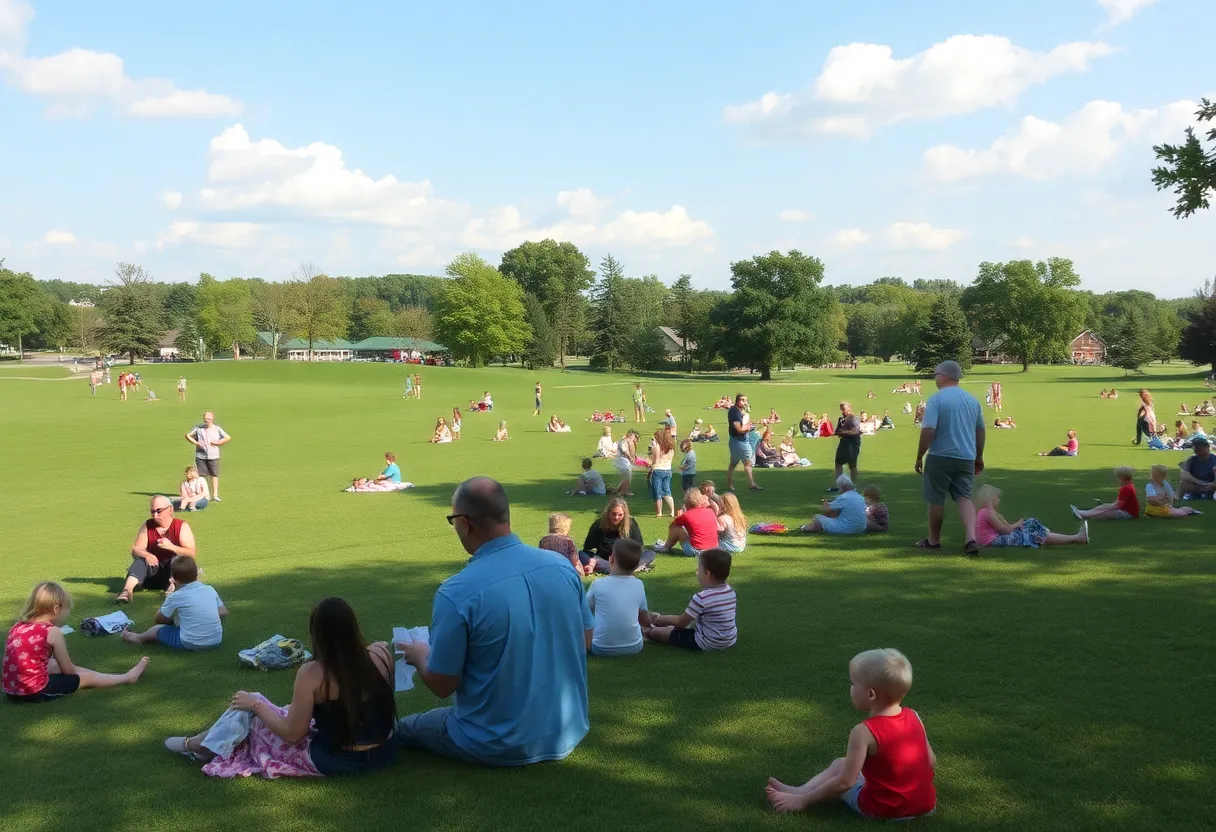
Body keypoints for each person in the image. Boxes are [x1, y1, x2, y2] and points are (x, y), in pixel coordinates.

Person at [395, 478, 593, 766]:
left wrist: (421, 656)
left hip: (492, 742)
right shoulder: (561, 566)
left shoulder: (457, 592)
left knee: (405, 728)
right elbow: (585, 641)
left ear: (464, 523)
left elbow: (442, 684)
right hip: (568, 729)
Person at [166, 597, 397, 777]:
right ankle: (200, 744)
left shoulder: (313, 674)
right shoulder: (381, 654)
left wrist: (256, 705)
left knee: (251, 711)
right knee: (269, 708)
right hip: (384, 752)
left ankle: (196, 745)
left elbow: (293, 735)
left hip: (337, 759)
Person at [765, 649, 936, 820]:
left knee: (843, 774)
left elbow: (845, 782)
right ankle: (798, 791)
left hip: (882, 809)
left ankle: (800, 797)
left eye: (853, 683)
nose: (851, 687)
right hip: (925, 805)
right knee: (842, 764)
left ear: (870, 694)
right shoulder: (913, 715)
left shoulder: (863, 731)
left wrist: (804, 802)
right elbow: (930, 760)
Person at [5, 582, 150, 703]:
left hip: (11, 691)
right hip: (34, 692)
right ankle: (127, 678)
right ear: (56, 609)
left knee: (53, 664)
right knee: (86, 678)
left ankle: (103, 676)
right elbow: (69, 672)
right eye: (67, 609)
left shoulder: (18, 626)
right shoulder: (52, 632)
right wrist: (83, 675)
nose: (68, 613)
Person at [914, 361, 985, 554]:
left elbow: (928, 430)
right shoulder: (972, 400)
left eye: (936, 374)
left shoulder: (937, 399)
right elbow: (980, 430)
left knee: (936, 499)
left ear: (943, 376)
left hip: (940, 456)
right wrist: (979, 455)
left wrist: (920, 455)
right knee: (964, 497)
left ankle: (933, 540)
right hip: (966, 457)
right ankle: (970, 538)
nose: (935, 378)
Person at [121, 557, 228, 649]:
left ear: (173, 580)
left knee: (156, 630)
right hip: (216, 641)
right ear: (197, 575)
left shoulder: (176, 596)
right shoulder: (209, 589)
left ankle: (138, 638)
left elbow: (159, 619)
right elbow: (223, 612)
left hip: (190, 642)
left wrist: (169, 597)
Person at [645, 549, 736, 652]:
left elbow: (681, 622)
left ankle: (647, 631)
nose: (697, 572)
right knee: (672, 628)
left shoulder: (702, 598)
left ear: (708, 574)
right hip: (729, 640)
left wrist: (656, 618)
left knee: (657, 633)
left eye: (699, 569)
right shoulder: (730, 591)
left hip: (706, 642)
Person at [116, 496, 197, 604]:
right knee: (141, 561)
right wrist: (147, 555)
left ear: (170, 509)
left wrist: (172, 547)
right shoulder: (148, 525)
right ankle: (127, 591)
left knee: (178, 559)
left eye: (159, 511)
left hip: (173, 574)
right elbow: (136, 549)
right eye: (152, 511)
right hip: (153, 572)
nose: (155, 515)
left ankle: (172, 589)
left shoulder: (181, 526)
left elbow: (191, 554)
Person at [585, 539, 650, 657]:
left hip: (600, 647)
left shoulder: (598, 584)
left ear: (612, 559)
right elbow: (644, 620)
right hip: (634, 646)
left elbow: (585, 613)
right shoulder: (639, 584)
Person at [974, 485, 1087, 548]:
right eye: (996, 498)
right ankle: (1076, 538)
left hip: (994, 540)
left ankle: (1047, 534)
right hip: (995, 542)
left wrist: (1017, 525)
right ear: (990, 499)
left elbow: (1004, 527)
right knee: (1034, 534)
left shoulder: (985, 511)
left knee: (1031, 522)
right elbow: (1006, 530)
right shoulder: (988, 513)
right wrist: (1017, 524)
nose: (998, 500)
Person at [580, 498, 656, 574]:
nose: (616, 517)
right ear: (608, 512)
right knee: (581, 554)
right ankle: (626, 570)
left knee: (650, 554)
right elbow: (588, 548)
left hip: (627, 560)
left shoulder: (631, 524)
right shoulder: (598, 525)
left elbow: (639, 545)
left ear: (624, 514)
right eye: (614, 514)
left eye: (620, 515)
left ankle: (620, 570)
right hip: (605, 559)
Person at [655, 490, 720, 556]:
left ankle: (665, 547)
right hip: (714, 549)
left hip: (697, 551)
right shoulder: (710, 511)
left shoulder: (687, 515)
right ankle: (665, 545)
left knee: (677, 529)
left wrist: (680, 515)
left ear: (686, 503)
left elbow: (673, 525)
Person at [185, 411, 230, 503]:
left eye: (208, 420)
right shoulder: (198, 428)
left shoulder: (217, 429)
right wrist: (196, 443)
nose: (206, 422)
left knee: (214, 475)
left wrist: (217, 442)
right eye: (205, 420)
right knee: (201, 476)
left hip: (213, 455)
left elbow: (227, 437)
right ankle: (204, 495)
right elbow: (188, 435)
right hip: (200, 455)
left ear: (212, 419)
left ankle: (215, 495)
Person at [802, 475, 867, 534]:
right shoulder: (859, 496)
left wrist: (825, 502)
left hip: (848, 529)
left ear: (842, 486)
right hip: (861, 528)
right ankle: (809, 527)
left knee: (818, 517)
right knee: (832, 515)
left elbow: (826, 510)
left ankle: (806, 528)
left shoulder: (843, 497)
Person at [1071, 467, 1140, 520]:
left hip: (1129, 513)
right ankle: (1085, 513)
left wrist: (1107, 508)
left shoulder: (1126, 488)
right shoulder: (1129, 486)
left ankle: (1085, 514)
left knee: (1106, 513)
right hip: (1127, 511)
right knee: (1104, 507)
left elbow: (1117, 505)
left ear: (1121, 478)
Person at [726, 393, 762, 492]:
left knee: (736, 463)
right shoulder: (734, 412)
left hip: (739, 440)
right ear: (737, 400)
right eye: (742, 400)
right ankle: (750, 485)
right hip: (739, 441)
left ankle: (732, 485)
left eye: (746, 400)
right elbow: (740, 429)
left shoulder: (738, 411)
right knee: (745, 463)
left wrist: (749, 425)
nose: (745, 402)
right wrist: (748, 427)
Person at [830, 402, 862, 489]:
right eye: (842, 410)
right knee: (838, 463)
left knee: (852, 465)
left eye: (844, 409)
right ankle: (838, 485)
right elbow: (837, 431)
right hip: (843, 443)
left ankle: (853, 485)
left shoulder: (854, 418)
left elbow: (855, 432)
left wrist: (842, 432)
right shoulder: (841, 419)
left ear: (849, 408)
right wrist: (840, 432)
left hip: (853, 444)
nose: (843, 412)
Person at [1178, 435, 1216, 499]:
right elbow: (1184, 475)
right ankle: (1176, 500)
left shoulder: (1214, 459)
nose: (1196, 449)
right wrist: (1201, 483)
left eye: (1199, 447)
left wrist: (1212, 483)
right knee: (1183, 483)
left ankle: (1207, 495)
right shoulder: (1192, 459)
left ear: (1207, 447)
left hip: (1212, 485)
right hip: (1197, 485)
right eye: (1195, 447)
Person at [613, 429, 639, 496]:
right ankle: (624, 492)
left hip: (623, 461)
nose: (635, 438)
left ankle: (618, 490)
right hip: (623, 461)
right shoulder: (623, 442)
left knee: (627, 476)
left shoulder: (625, 441)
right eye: (634, 436)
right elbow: (625, 451)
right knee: (627, 476)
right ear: (631, 435)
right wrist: (630, 458)